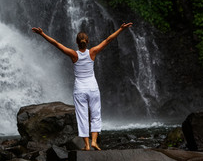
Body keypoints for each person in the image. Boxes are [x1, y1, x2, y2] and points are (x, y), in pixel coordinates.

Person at [32, 22, 133, 150]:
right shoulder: (93, 52)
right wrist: (121, 29)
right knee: (96, 114)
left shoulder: (73, 54)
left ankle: (86, 144)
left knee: (82, 116)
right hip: (93, 88)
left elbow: (56, 44)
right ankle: (94, 141)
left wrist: (42, 34)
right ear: (87, 41)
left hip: (80, 89)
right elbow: (109, 39)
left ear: (76, 42)